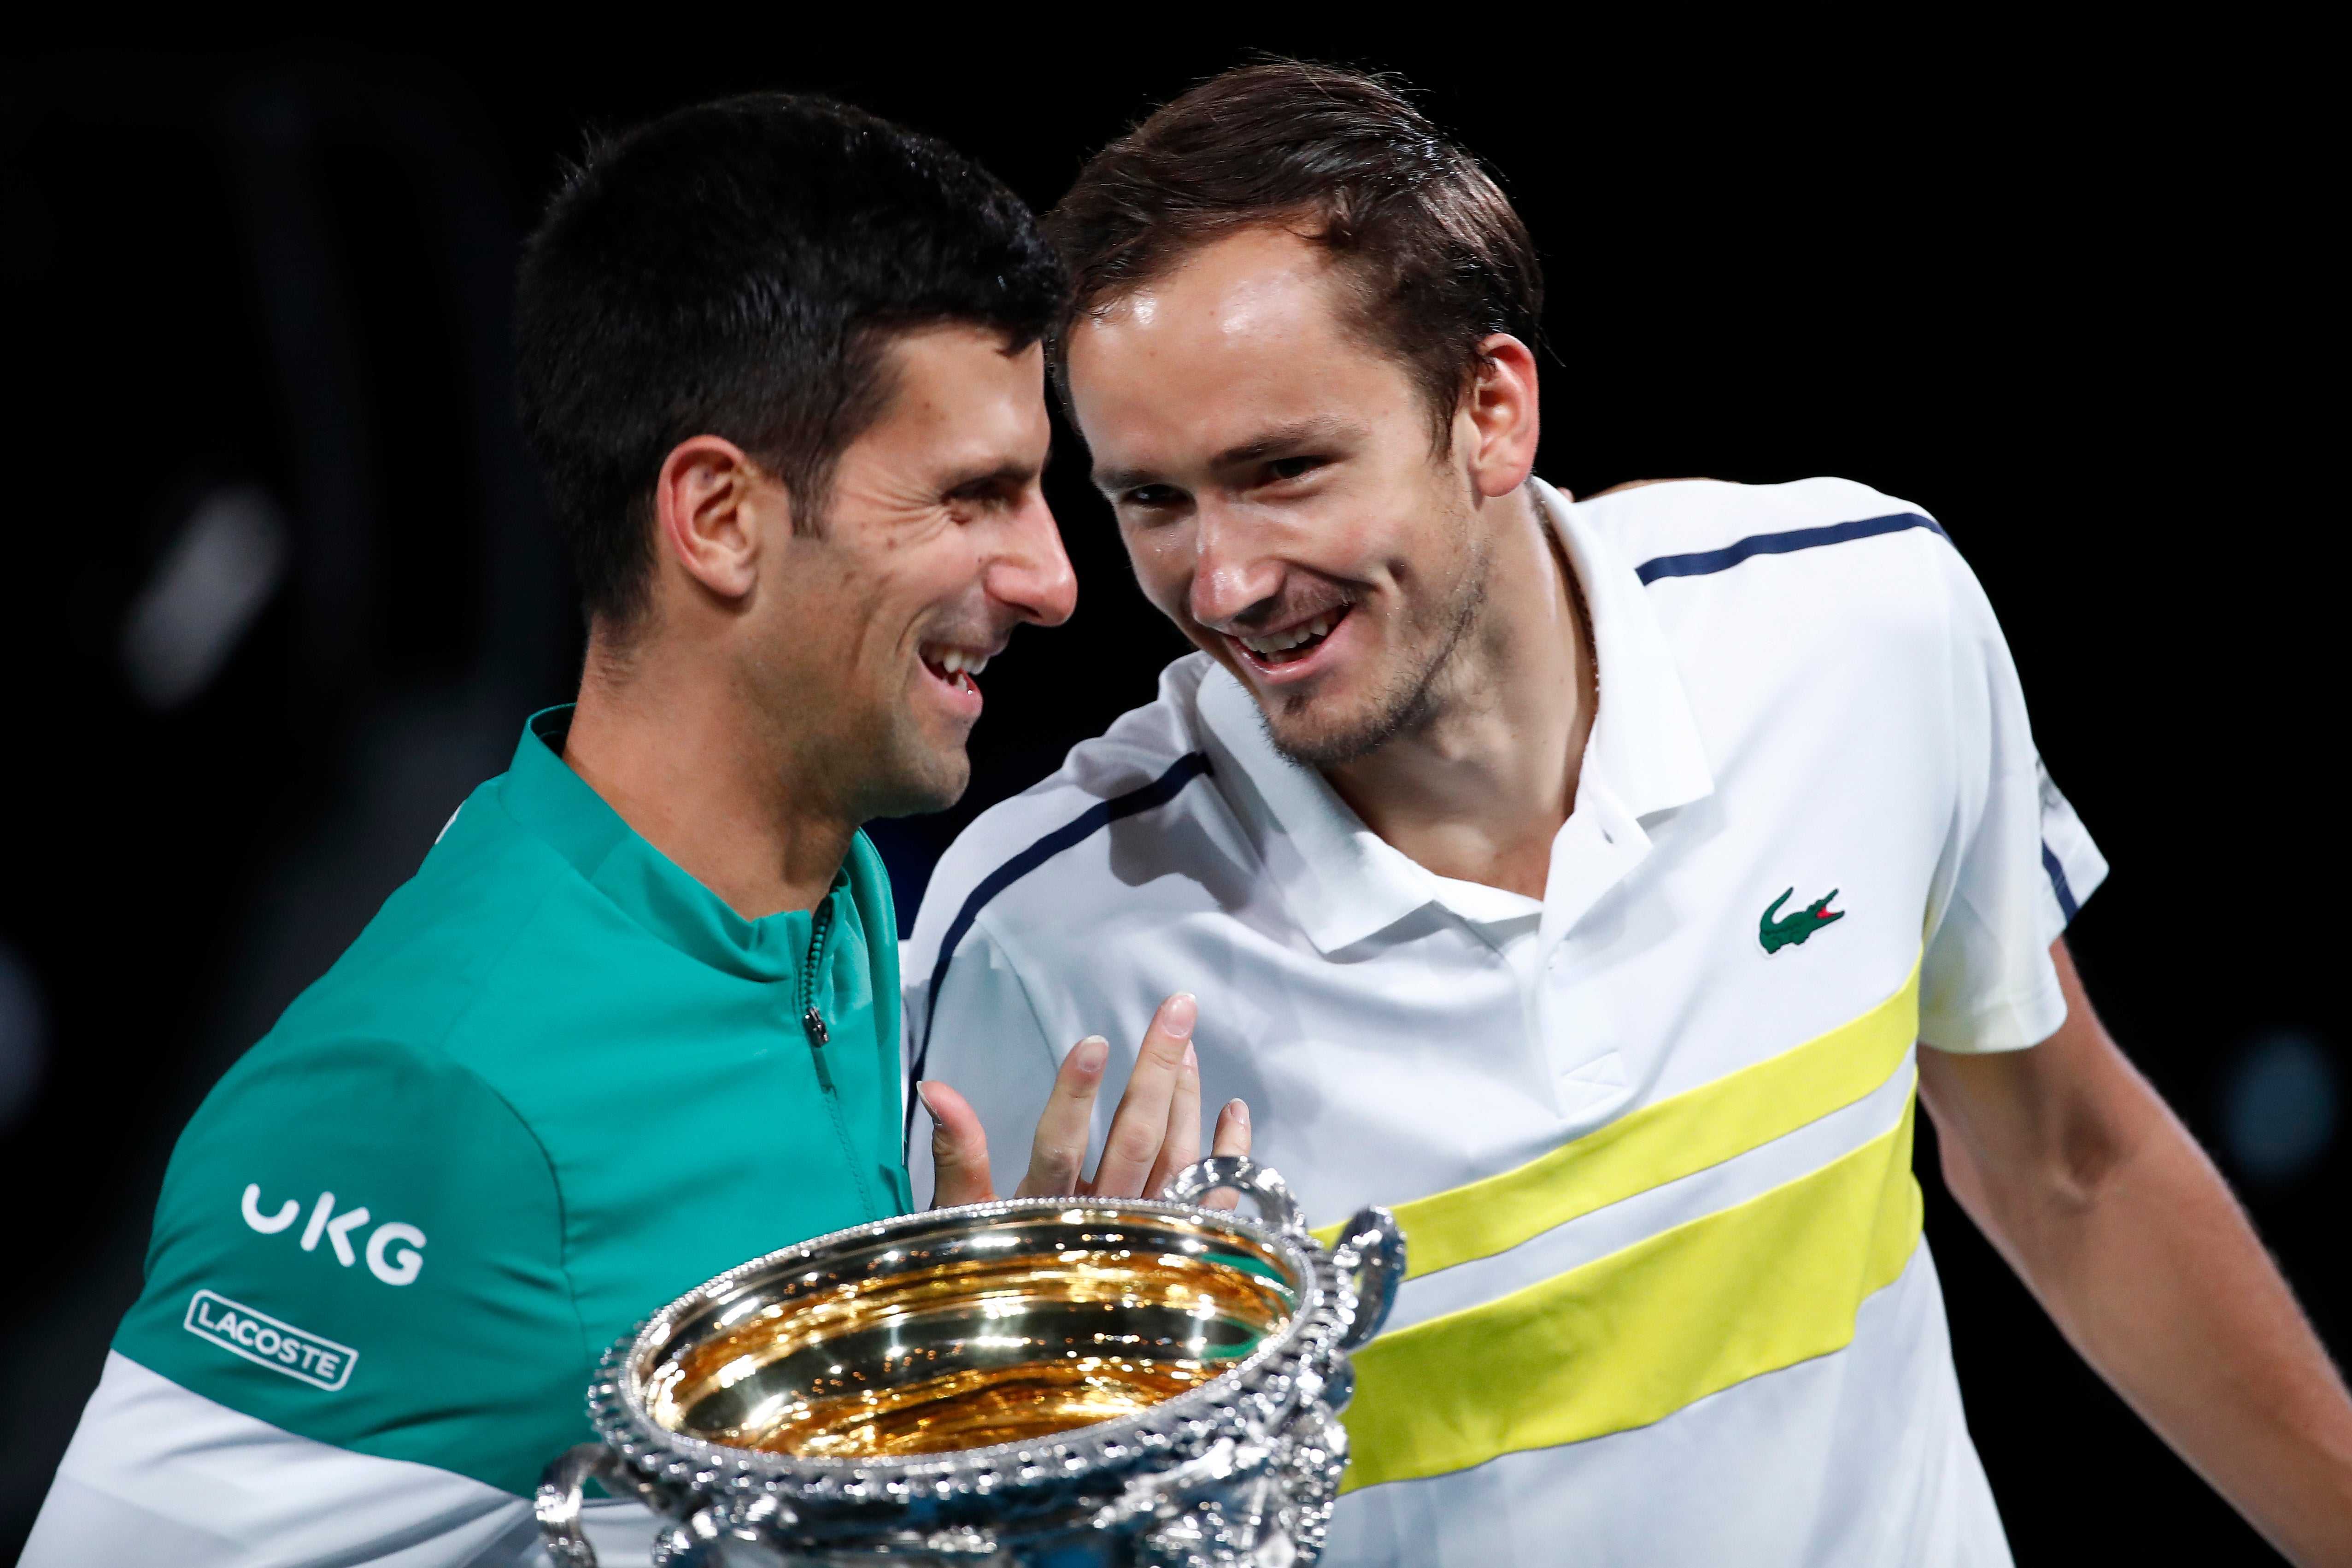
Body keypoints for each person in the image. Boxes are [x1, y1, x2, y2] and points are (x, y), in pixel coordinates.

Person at [906, 62, 2352, 1567]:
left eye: (1284, 472)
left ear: (1489, 409)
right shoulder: (1033, 941)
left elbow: (2068, 1164)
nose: (1223, 583)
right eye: (1153, 501)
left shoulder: (1865, 621)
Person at [26, 94, 1239, 1568]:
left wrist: (986, 1425)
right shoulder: (435, 1104)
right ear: (718, 517)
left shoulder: (832, 893)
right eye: (971, 495)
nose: (1054, 577)